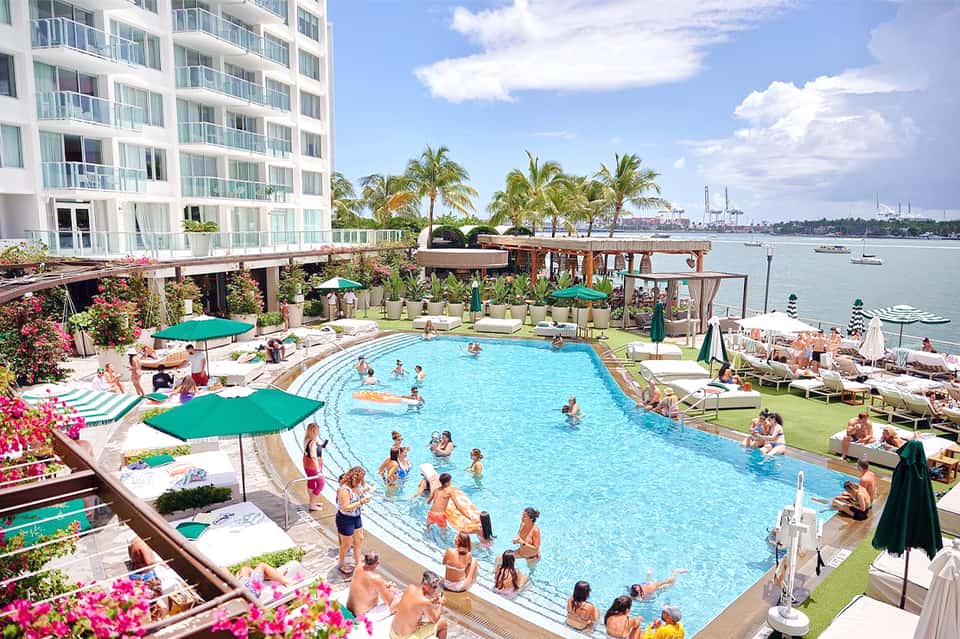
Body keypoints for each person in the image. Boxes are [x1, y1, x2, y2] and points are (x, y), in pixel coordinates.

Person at [389, 571, 449, 639]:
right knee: (443, 623)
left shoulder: (410, 588)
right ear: (425, 584)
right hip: (406, 637)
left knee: (419, 619)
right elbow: (434, 620)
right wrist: (441, 603)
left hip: (393, 633)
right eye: (434, 587)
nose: (436, 590)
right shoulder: (424, 602)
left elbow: (414, 605)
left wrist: (430, 602)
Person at [336, 466, 371, 575]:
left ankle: (358, 562)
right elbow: (345, 507)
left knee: (358, 540)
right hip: (345, 519)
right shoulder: (344, 490)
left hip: (356, 517)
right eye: (361, 479)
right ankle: (341, 564)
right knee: (346, 544)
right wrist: (361, 502)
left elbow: (358, 492)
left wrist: (366, 490)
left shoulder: (356, 487)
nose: (363, 481)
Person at [347, 551, 399, 618]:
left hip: (349, 608)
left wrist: (384, 584)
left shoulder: (359, 566)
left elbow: (367, 582)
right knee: (396, 603)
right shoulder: (376, 579)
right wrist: (392, 591)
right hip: (362, 614)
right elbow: (389, 601)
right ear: (377, 563)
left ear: (364, 560)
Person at [302, 422, 326, 512]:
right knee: (321, 483)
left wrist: (321, 445)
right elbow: (314, 457)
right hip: (313, 466)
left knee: (311, 482)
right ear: (314, 431)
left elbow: (311, 450)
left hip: (307, 464)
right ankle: (312, 504)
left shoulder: (307, 439)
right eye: (317, 430)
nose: (318, 432)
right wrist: (318, 470)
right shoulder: (312, 443)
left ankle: (312, 502)